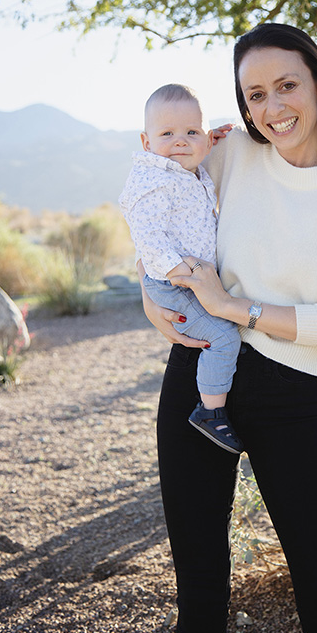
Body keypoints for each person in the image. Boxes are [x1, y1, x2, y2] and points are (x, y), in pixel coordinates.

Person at [138, 23, 317, 633]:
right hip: (198, 386)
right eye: (255, 95)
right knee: (199, 590)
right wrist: (151, 299)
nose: (273, 108)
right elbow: (155, 208)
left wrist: (232, 305)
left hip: (292, 395)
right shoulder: (228, 154)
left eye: (286, 86)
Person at [119, 84, 243, 453]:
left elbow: (197, 154)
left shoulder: (184, 168)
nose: (180, 141)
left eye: (191, 132)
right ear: (146, 141)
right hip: (174, 283)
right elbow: (147, 235)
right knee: (223, 339)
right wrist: (181, 272)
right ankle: (210, 412)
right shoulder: (151, 179)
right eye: (167, 134)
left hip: (189, 278)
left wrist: (213, 141)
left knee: (225, 329)